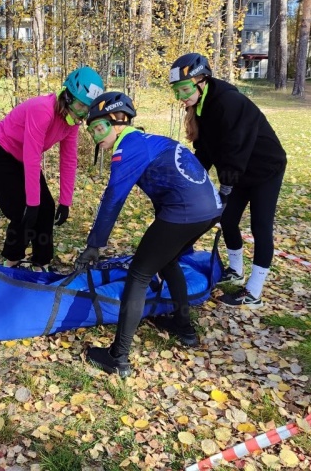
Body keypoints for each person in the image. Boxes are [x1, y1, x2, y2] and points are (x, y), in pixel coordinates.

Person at [74, 92, 223, 377]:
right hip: (210, 209)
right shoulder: (149, 141)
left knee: (139, 275)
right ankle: (183, 327)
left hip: (186, 211)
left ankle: (117, 357)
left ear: (118, 121)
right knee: (167, 261)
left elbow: (113, 198)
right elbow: (169, 185)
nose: (95, 137)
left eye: (98, 128)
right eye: (91, 131)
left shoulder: (128, 147)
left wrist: (94, 244)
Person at [168, 52, 287, 309]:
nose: (181, 96)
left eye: (185, 89)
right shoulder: (201, 107)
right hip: (240, 169)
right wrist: (189, 178)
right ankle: (236, 271)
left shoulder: (228, 102)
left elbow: (236, 146)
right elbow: (205, 151)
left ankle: (254, 292)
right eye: (177, 91)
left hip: (266, 168)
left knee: (260, 226)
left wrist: (226, 185)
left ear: (202, 81)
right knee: (228, 220)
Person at [0, 66, 104, 270]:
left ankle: (41, 263)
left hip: (23, 157)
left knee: (47, 208)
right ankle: (10, 263)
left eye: (87, 109)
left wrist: (65, 201)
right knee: (23, 210)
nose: (82, 114)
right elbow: (32, 157)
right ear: (68, 96)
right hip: (1, 151)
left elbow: (68, 159)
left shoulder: (71, 123)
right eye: (80, 106)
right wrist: (32, 203)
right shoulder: (42, 109)